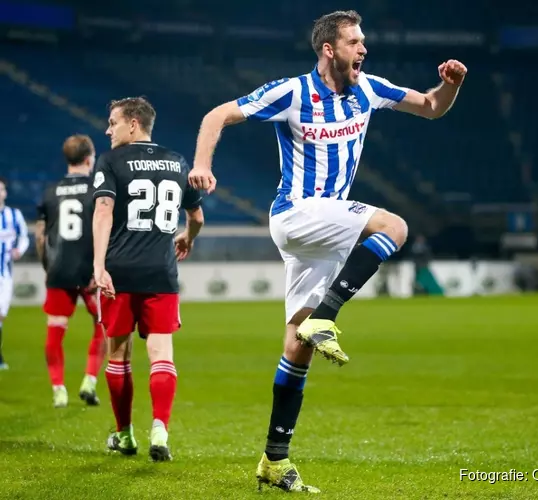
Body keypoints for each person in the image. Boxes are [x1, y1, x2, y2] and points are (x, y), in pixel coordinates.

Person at [189, 10, 466, 492]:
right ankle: (329, 314)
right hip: (297, 213)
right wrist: (202, 165)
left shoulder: (370, 88)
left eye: (363, 41)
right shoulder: (292, 92)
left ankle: (275, 459)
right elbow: (218, 115)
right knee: (394, 226)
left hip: (324, 227)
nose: (363, 49)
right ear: (328, 49)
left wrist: (452, 85)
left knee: (297, 346)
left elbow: (431, 106)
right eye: (355, 42)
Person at [92, 97, 204, 461]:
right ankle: (160, 429)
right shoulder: (176, 160)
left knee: (119, 357)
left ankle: (124, 436)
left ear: (134, 123)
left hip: (120, 273)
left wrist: (98, 265)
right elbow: (197, 216)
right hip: (161, 272)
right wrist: (187, 237)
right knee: (161, 355)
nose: (108, 130)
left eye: (113, 122)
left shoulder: (110, 161)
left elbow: (103, 211)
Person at [36, 134, 105, 408]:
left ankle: (58, 390)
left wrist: (47, 266)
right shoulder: (97, 190)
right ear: (90, 159)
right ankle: (89, 380)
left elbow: (41, 236)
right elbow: (104, 229)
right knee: (102, 327)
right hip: (90, 271)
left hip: (59, 271)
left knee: (55, 331)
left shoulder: (50, 192)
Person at [0, 176, 30, 370]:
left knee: (1, 314)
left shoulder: (14, 215)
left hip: (5, 273)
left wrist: (19, 249)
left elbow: (24, 237)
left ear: (5, 192)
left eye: (1, 189)